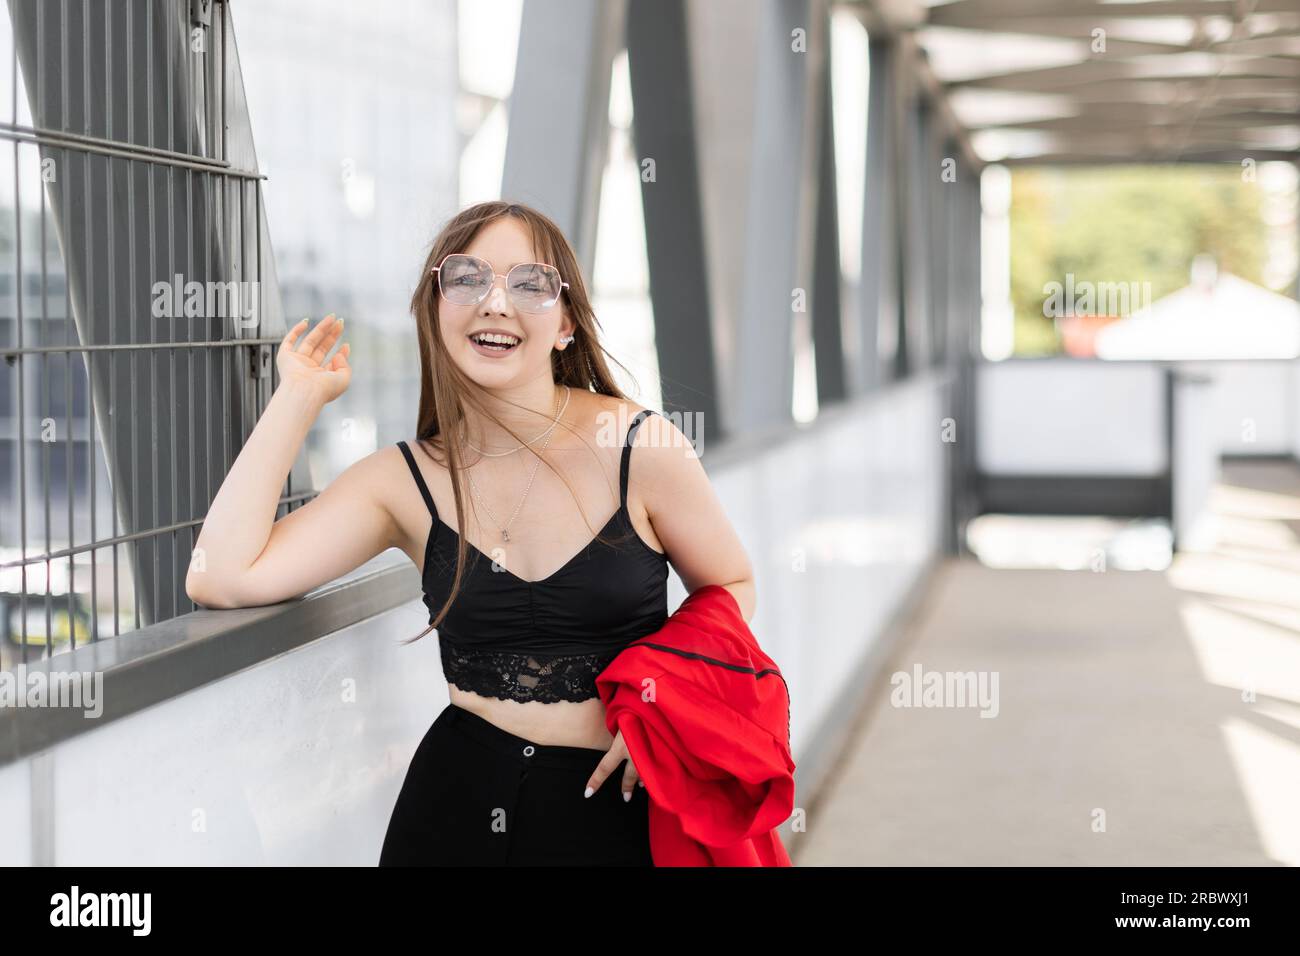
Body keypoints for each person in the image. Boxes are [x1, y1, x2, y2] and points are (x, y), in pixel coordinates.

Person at [185, 199, 757, 865]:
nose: (494, 302)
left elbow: (731, 583)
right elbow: (221, 576)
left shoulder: (640, 446)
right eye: (466, 279)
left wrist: (669, 705)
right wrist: (299, 396)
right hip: (454, 810)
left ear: (566, 322)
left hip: (620, 807)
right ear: (436, 309)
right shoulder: (403, 480)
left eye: (529, 283)